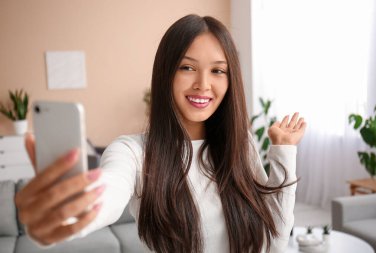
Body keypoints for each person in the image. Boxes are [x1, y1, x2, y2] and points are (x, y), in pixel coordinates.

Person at [15, 14, 306, 253]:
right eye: (187, 67)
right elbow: (110, 192)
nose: (203, 84)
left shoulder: (240, 145)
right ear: (165, 73)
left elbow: (275, 241)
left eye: (218, 71)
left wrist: (283, 151)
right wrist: (68, 215)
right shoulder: (133, 152)